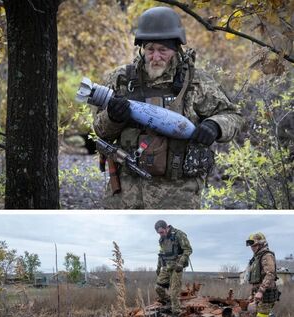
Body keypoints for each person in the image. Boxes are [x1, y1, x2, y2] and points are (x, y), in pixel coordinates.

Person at [93, 6, 243, 209]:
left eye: (163, 50)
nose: (155, 57)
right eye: (150, 49)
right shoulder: (120, 79)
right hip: (125, 194)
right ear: (142, 47)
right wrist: (113, 117)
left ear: (176, 49)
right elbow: (100, 132)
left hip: (177, 196)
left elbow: (232, 115)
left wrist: (215, 126)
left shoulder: (195, 82)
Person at [245, 233, 282, 317]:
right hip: (260, 293)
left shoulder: (266, 256)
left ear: (261, 244)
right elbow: (255, 279)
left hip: (266, 294)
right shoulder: (256, 258)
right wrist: (252, 294)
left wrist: (261, 291)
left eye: (254, 245)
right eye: (251, 246)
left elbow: (270, 274)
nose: (252, 248)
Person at [155, 220, 192, 315]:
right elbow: (161, 254)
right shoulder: (161, 240)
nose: (160, 235)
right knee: (158, 287)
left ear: (166, 227)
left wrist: (181, 263)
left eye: (162, 232)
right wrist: (158, 268)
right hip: (167, 266)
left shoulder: (179, 234)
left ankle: (177, 312)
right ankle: (169, 302)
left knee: (174, 292)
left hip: (177, 266)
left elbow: (188, 250)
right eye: (158, 233)